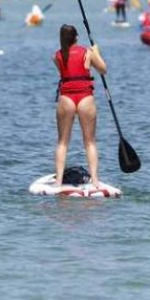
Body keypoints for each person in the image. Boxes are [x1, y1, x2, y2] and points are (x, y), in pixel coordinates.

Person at [53, 24, 107, 189]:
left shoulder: (56, 56)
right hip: (85, 98)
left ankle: (58, 181)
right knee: (90, 142)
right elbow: (103, 70)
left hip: (66, 99)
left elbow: (65, 71)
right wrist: (96, 52)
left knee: (62, 142)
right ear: (76, 37)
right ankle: (95, 181)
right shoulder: (87, 53)